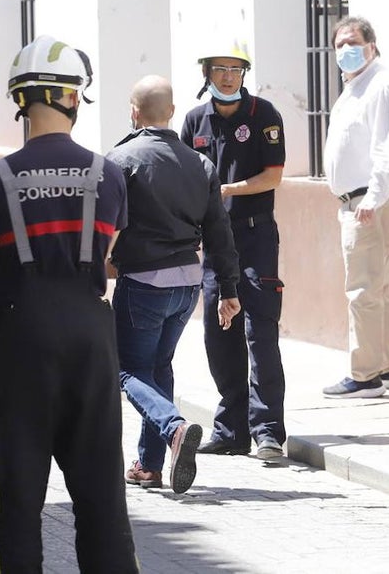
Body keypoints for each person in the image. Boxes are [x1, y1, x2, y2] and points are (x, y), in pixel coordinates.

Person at [0, 36, 138, 571]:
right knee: (102, 496)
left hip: (21, 340)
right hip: (90, 336)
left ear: (22, 102)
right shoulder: (109, 173)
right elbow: (107, 254)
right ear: (73, 98)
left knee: (17, 497)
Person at [107, 75, 243, 494]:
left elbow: (103, 226)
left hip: (143, 282)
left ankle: (174, 427)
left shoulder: (118, 159)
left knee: (127, 370)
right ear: (171, 113)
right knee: (158, 367)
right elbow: (220, 232)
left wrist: (93, 269)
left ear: (133, 111)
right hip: (187, 284)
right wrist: (230, 290)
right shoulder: (200, 163)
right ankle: (148, 466)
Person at [181, 46, 287, 461]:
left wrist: (229, 190)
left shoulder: (265, 114)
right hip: (214, 243)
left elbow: (273, 176)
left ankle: (268, 432)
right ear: (206, 73)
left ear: (244, 73)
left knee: (260, 332)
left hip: (255, 235)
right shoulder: (194, 121)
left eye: (236, 69)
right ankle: (230, 430)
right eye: (220, 69)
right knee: (218, 333)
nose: (228, 76)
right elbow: (186, 178)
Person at [321, 16, 389, 399]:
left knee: (362, 290)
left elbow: (385, 149)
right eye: (339, 44)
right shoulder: (357, 87)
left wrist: (373, 199)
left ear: (372, 46)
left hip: (370, 202)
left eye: (352, 42)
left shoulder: (382, 86)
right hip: (360, 200)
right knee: (376, 288)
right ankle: (387, 367)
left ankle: (365, 376)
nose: (345, 50)